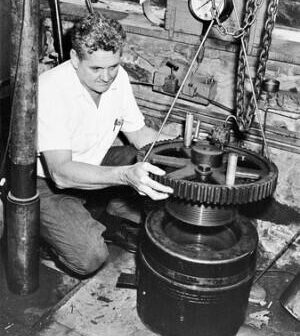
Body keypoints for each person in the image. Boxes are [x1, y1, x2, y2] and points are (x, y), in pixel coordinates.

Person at [37, 12, 173, 276]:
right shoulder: (51, 89)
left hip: (94, 163)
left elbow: (138, 134)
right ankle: (44, 240)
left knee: (155, 163)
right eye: (96, 68)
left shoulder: (118, 77)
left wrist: (184, 150)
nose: (107, 77)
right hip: (47, 184)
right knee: (90, 257)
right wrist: (124, 176)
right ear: (75, 59)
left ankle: (99, 216)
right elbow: (61, 173)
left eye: (113, 66)